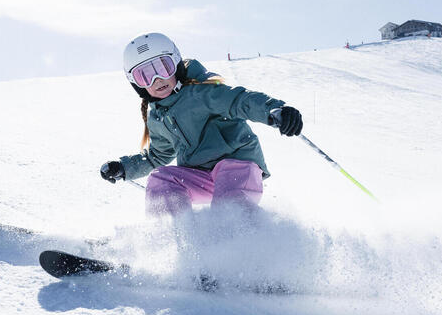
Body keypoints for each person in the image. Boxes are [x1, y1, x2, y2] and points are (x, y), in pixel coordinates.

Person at [100, 33, 303, 216]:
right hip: (200, 176)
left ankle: (240, 243)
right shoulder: (158, 117)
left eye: (163, 67)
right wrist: (124, 168)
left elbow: (239, 101)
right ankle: (172, 240)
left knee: (228, 202)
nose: (157, 79)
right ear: (136, 84)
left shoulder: (203, 91)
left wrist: (275, 111)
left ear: (176, 65)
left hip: (238, 167)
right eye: (144, 76)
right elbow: (157, 156)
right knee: (162, 180)